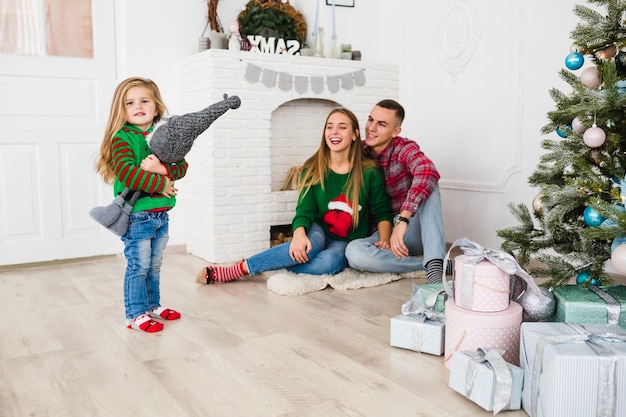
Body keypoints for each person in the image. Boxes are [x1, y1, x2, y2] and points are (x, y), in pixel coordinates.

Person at [196, 107, 393, 284]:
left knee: (330, 263)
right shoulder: (312, 168)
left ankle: (266, 264)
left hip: (346, 241)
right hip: (318, 229)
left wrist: (384, 241)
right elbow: (304, 209)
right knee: (309, 246)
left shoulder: (369, 172)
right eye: (329, 127)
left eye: (342, 127)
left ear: (354, 135)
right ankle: (236, 270)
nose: (334, 131)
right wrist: (299, 235)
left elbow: (382, 212)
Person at [95, 77, 187, 333]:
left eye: (144, 100)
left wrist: (161, 169)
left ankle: (152, 306)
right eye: (130, 102)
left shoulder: (164, 135)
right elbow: (126, 173)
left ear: (156, 107)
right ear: (121, 110)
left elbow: (182, 166)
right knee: (139, 265)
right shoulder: (122, 138)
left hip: (160, 215)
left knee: (155, 264)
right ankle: (135, 313)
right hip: (136, 216)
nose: (138, 106)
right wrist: (161, 184)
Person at [344, 99, 446, 284]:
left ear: (395, 131)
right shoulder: (358, 150)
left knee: (429, 181)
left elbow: (427, 170)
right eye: (370, 120)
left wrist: (403, 220)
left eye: (381, 124)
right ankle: (426, 265)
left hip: (410, 232)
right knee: (355, 254)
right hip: (381, 234)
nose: (371, 128)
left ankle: (434, 267)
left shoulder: (403, 148)